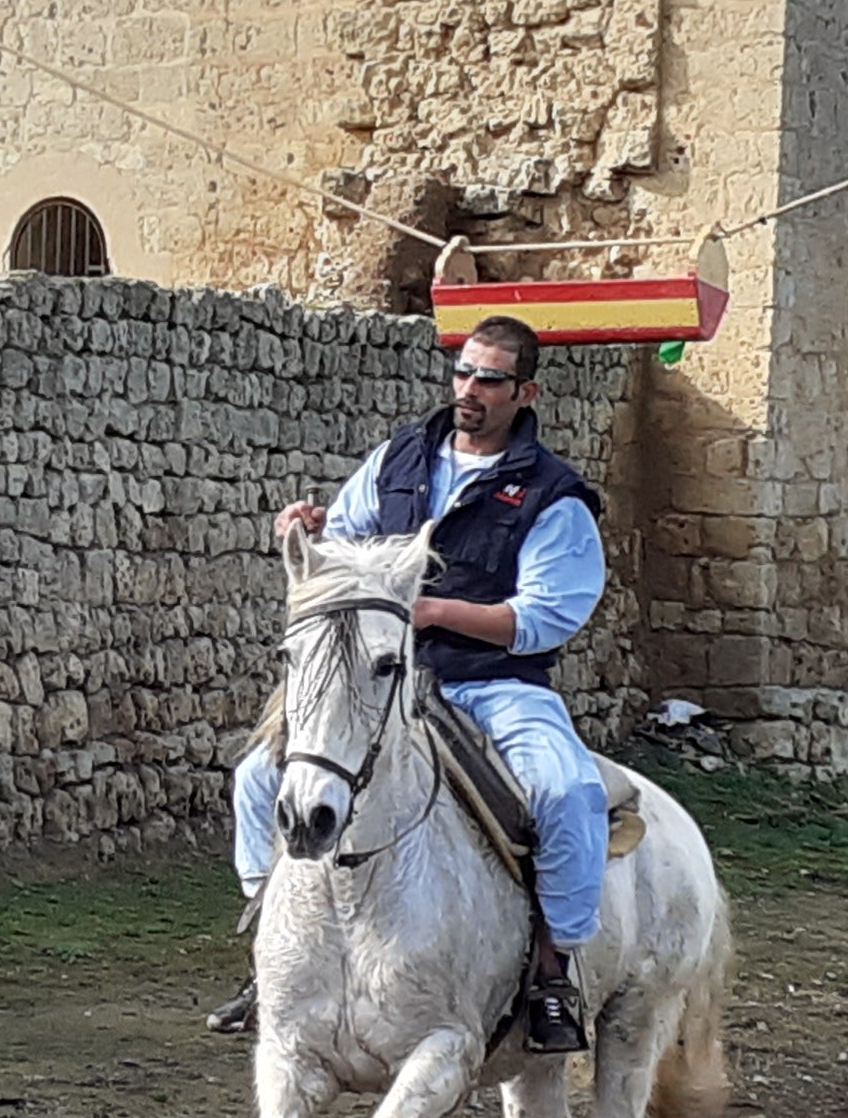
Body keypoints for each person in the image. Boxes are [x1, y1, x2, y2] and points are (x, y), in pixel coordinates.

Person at [212, 316, 608, 1051]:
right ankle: (269, 963)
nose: (469, 390)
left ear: (525, 392)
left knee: (566, 793)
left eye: (489, 379)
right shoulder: (400, 456)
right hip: (378, 677)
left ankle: (554, 972)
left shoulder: (555, 497)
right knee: (258, 780)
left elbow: (547, 615)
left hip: (491, 684)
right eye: (463, 372)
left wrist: (433, 611)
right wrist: (306, 533)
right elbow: (348, 545)